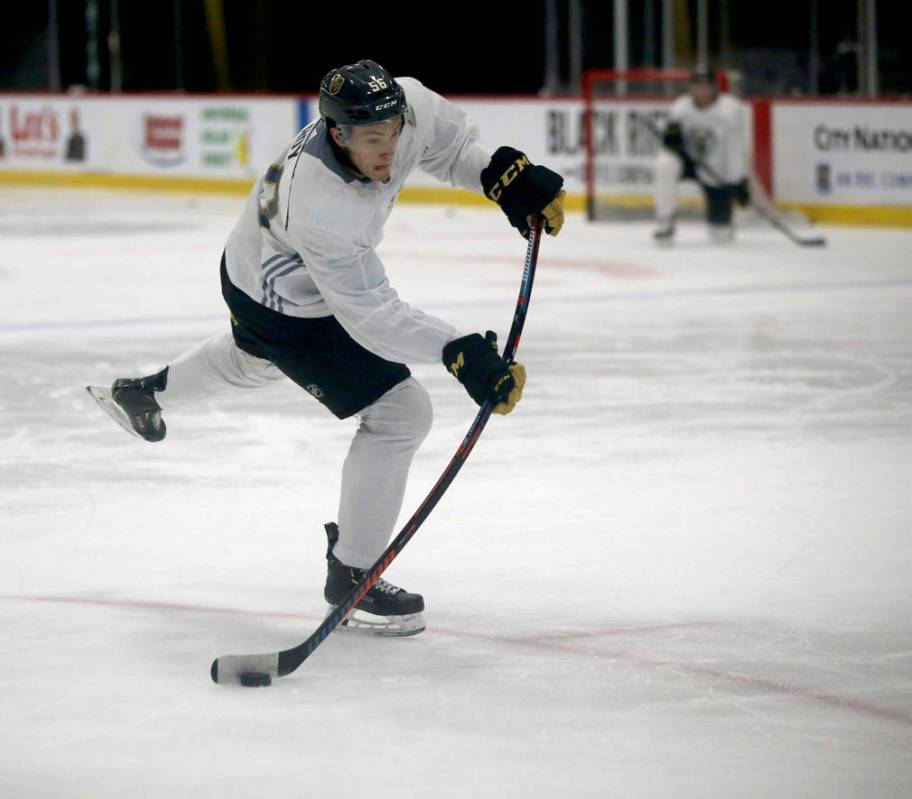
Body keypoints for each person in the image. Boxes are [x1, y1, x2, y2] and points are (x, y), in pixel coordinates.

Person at [87, 59, 565, 636]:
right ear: (337, 135)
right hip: (279, 299)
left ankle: (142, 393)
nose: (388, 151)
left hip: (253, 263)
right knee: (399, 412)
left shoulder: (403, 108)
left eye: (393, 134)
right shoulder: (321, 205)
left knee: (255, 359)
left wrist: (498, 177)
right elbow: (371, 315)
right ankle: (353, 574)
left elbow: (448, 146)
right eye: (371, 141)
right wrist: (460, 351)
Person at [653, 68, 750, 244]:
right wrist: (672, 142)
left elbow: (735, 149)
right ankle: (665, 222)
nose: (702, 91)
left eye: (707, 86)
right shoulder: (680, 107)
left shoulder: (730, 110)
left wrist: (738, 180)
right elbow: (670, 143)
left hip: (716, 171)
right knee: (665, 163)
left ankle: (724, 221)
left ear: (715, 88)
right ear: (690, 88)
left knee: (721, 236)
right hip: (689, 163)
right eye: (697, 86)